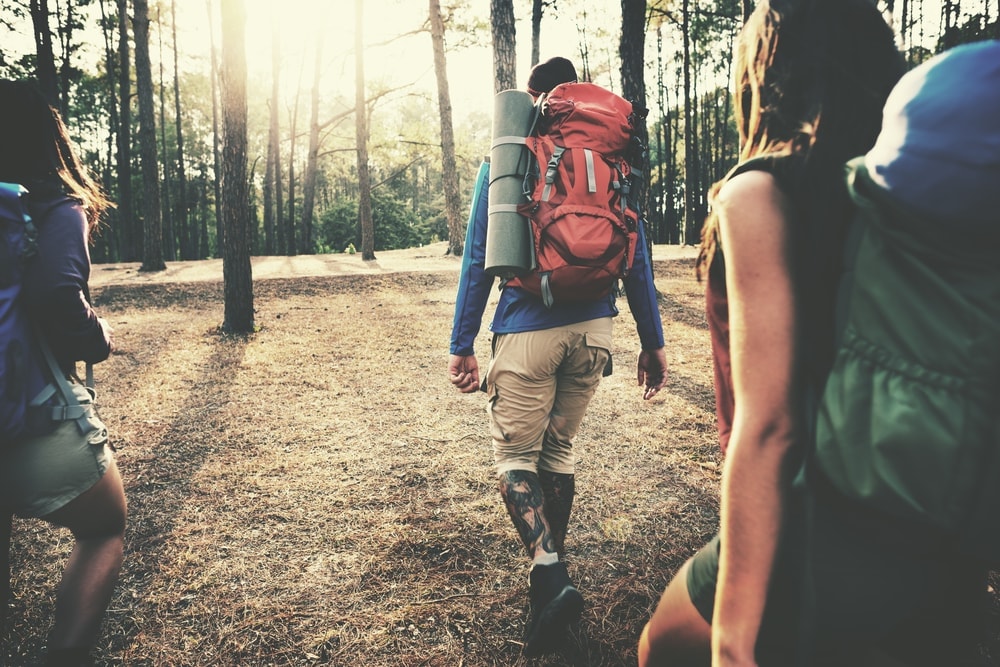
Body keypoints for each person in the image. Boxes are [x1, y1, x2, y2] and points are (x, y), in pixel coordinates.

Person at [634, 1, 940, 664]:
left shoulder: (760, 192)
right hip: (921, 515)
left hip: (816, 521)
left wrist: (734, 637)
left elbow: (772, 427)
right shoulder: (901, 194)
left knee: (660, 644)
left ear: (768, 70)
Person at [449, 56, 668, 657]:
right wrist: (653, 341)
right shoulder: (613, 164)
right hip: (595, 330)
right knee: (559, 451)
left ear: (535, 100)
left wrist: (461, 342)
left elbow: (478, 258)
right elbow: (637, 259)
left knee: (515, 457)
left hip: (528, 328)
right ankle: (553, 582)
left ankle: (549, 568)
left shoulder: (510, 156)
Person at [0, 79, 126, 667]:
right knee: (105, 526)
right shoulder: (51, 205)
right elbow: (56, 294)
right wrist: (96, 339)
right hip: (27, 415)